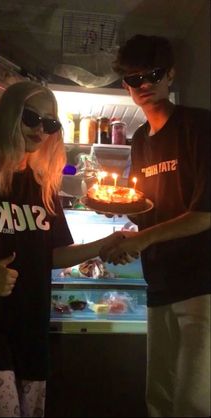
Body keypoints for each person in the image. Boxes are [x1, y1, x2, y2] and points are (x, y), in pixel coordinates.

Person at [0, 81, 123, 418]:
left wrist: (104, 245)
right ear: (9, 114)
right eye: (31, 118)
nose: (40, 129)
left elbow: (53, 254)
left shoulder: (41, 185)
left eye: (50, 123)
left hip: (31, 328)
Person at [100, 34, 211, 417]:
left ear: (171, 75)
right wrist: (115, 209)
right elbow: (147, 209)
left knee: (194, 403)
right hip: (159, 282)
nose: (144, 84)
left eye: (154, 74)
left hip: (202, 285)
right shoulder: (141, 141)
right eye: (134, 79)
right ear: (126, 86)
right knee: (160, 401)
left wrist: (142, 239)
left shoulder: (199, 127)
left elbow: (204, 214)